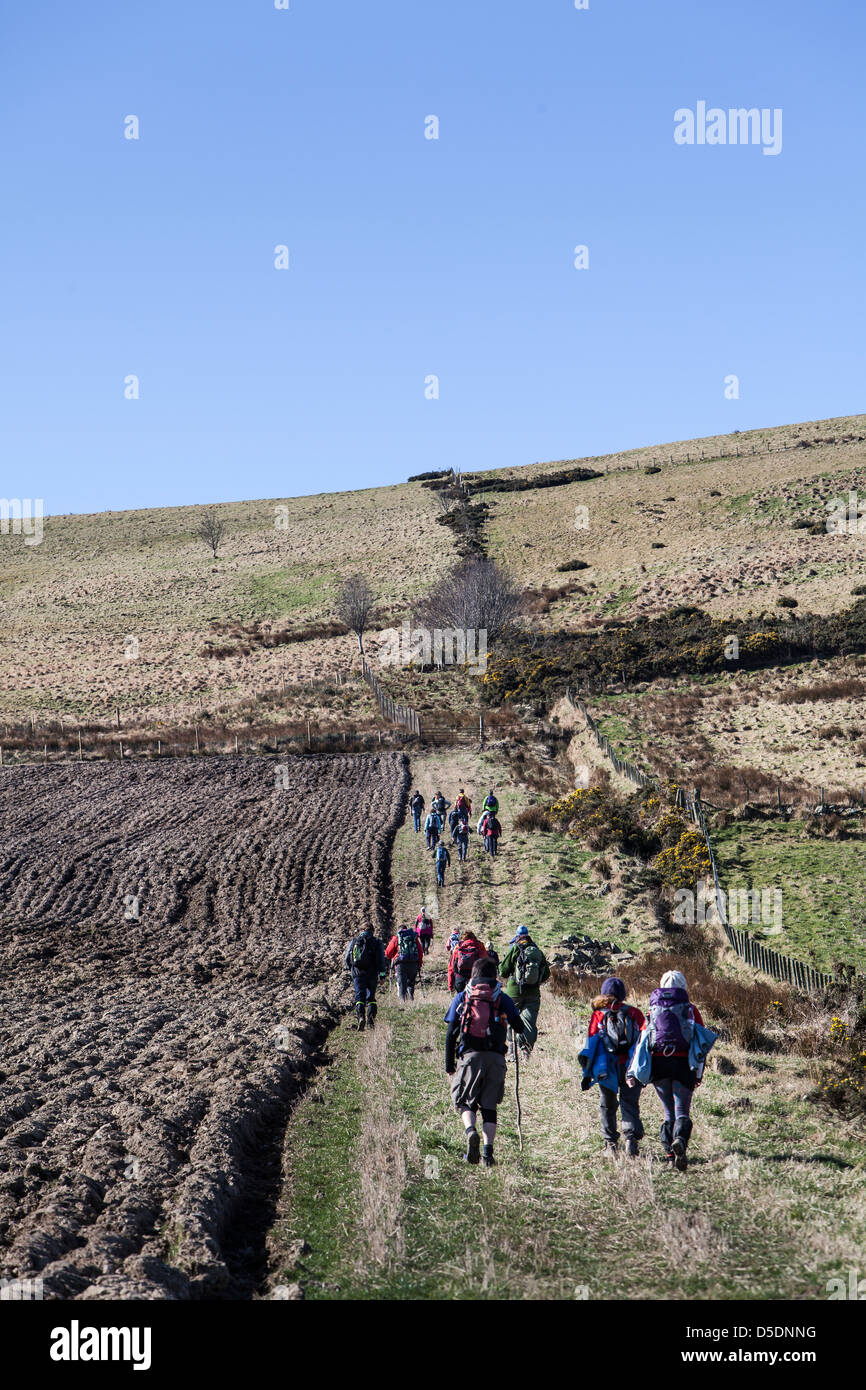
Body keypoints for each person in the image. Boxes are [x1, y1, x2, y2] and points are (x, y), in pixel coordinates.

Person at [626, 970, 717, 1172]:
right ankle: (680, 1141)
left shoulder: (652, 1010)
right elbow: (700, 1046)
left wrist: (633, 1071)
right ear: (684, 986)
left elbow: (642, 1043)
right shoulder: (691, 1010)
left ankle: (669, 1154)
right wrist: (698, 1074)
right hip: (683, 1065)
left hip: (659, 1065)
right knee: (682, 1110)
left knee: (668, 1113)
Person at [444, 957, 525, 1167]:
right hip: (496, 1058)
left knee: (465, 1100)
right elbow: (519, 1027)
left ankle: (471, 1131)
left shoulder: (464, 996)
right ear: (494, 975)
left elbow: (450, 1033)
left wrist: (449, 1065)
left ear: (473, 974)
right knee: (489, 1106)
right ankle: (488, 1155)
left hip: (470, 1057)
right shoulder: (502, 997)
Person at [579, 977, 645, 1157]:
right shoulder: (635, 1013)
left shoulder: (598, 1015)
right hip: (630, 1066)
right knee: (629, 1102)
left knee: (607, 1104)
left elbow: (591, 1043)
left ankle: (610, 1144)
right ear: (623, 994)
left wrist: (587, 1072)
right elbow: (643, 1040)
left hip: (606, 1067)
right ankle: (631, 1141)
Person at [499, 925, 550, 1057]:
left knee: (510, 1018)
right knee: (529, 1022)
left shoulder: (515, 948)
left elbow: (503, 971)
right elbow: (547, 973)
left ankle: (511, 1048)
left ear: (517, 935)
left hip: (514, 992)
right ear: (528, 935)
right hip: (533, 993)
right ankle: (525, 1051)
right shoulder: (536, 950)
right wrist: (535, 981)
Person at [343, 925, 387, 1031]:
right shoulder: (377, 942)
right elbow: (381, 959)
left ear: (361, 930)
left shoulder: (355, 941)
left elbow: (347, 958)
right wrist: (382, 975)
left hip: (358, 973)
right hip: (372, 973)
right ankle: (370, 1021)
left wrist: (352, 969)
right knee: (371, 997)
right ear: (373, 931)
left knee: (359, 997)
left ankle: (361, 1017)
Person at [386, 924, 423, 1000]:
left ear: (398, 930)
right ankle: (411, 999)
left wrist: (392, 958)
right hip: (413, 964)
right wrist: (419, 965)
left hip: (401, 964)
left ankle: (403, 1003)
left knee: (402, 985)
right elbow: (420, 951)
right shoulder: (414, 938)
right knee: (411, 984)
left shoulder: (396, 938)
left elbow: (388, 953)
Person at [448, 929, 487, 994]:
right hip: (475, 979)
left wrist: (450, 986)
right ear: (474, 937)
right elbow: (486, 964)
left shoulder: (458, 946)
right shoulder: (479, 945)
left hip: (460, 978)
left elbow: (451, 967)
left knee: (461, 1000)